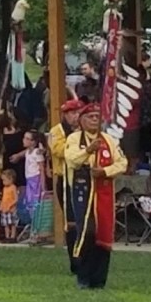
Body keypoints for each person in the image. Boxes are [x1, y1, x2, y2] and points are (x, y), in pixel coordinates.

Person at [64, 103, 128, 289]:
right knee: (88, 232)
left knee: (103, 235)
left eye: (97, 116)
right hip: (83, 192)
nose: (94, 119)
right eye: (90, 116)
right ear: (81, 120)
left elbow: (122, 163)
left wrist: (106, 171)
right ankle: (83, 277)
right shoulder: (75, 139)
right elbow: (71, 160)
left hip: (104, 194)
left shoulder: (109, 140)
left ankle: (99, 280)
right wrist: (88, 150)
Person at [49, 98, 84, 272]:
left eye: (78, 112)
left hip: (83, 177)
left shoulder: (85, 130)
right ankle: (75, 261)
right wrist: (80, 147)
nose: (76, 116)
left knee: (85, 220)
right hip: (65, 179)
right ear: (65, 115)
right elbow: (59, 150)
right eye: (72, 113)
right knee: (71, 222)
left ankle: (86, 257)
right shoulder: (56, 131)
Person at [21, 130, 46, 243]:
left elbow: (41, 169)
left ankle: (36, 231)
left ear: (33, 142)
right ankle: (33, 230)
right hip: (29, 180)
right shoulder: (27, 152)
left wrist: (43, 186)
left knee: (36, 205)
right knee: (30, 205)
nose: (24, 140)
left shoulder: (37, 153)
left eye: (27, 139)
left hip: (36, 181)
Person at [0, 169, 19, 243]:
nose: (3, 182)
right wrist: (1, 206)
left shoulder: (13, 187)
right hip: (4, 209)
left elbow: (16, 199)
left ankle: (12, 236)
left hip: (11, 209)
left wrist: (10, 205)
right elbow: (3, 198)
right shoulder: (4, 188)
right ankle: (7, 236)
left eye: (4, 180)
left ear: (10, 179)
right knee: (5, 224)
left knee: (12, 223)